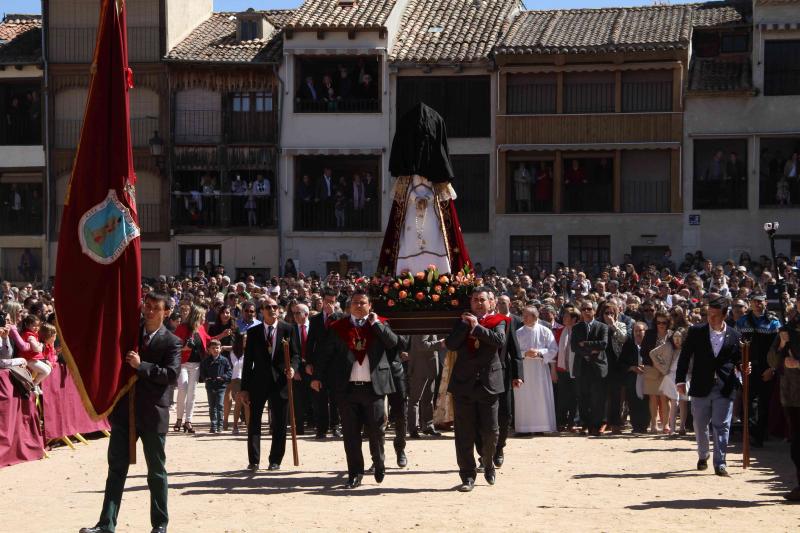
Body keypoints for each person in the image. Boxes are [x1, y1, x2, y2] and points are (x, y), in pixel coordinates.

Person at [79, 292, 181, 533]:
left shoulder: (172, 341)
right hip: (125, 412)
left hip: (153, 414)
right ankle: (106, 524)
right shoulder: (130, 335)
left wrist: (141, 366)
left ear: (166, 312)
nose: (150, 311)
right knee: (116, 468)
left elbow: (171, 375)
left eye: (156, 307)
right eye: (147, 306)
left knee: (156, 472)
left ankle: (160, 524)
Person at [311, 289, 399, 489]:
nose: (359, 306)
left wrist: (375, 324)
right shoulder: (338, 327)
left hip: (373, 387)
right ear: (349, 306)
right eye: (356, 303)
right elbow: (325, 354)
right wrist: (317, 376)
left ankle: (379, 462)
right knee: (351, 434)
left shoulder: (379, 324)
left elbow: (393, 343)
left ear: (370, 306)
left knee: (376, 430)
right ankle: (355, 473)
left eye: (363, 303)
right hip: (347, 388)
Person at [446, 287, 522, 492]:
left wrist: (477, 326)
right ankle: (467, 476)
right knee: (463, 433)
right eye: (475, 300)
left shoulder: (500, 321)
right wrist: (466, 325)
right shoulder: (461, 321)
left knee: (490, 431)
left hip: (489, 383)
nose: (478, 303)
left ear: (491, 302)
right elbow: (451, 344)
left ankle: (488, 465)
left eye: (482, 300)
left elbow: (499, 341)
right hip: (464, 383)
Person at [676, 295, 747, 477]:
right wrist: (680, 380)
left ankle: (720, 462)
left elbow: (738, 360)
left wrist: (745, 366)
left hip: (724, 386)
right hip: (700, 384)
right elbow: (684, 357)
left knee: (721, 425)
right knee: (700, 424)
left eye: (715, 315)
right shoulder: (696, 332)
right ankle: (703, 454)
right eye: (709, 314)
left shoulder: (735, 335)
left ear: (724, 315)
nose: (711, 318)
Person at [238, 297, 300, 472]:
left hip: (281, 382)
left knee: (280, 423)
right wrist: (244, 388)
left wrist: (293, 369)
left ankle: (275, 460)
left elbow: (295, 354)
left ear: (279, 310)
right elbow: (248, 362)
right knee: (254, 422)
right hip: (258, 383)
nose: (272, 309)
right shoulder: (253, 332)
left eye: (274, 306)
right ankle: (254, 460)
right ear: (262, 311)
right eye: (267, 307)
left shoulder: (288, 329)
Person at [735, 292, 781, 447]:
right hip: (747, 366)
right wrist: (740, 364)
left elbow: (778, 349)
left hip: (766, 367)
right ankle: (751, 434)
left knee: (764, 402)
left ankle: (761, 434)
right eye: (754, 301)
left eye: (760, 301)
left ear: (765, 303)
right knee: (749, 401)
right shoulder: (742, 322)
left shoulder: (773, 323)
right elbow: (736, 346)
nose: (757, 304)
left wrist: (772, 369)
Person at [768, 324, 800, 501]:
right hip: (791, 396)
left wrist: (798, 364)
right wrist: (781, 344)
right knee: (796, 445)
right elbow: (772, 361)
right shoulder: (786, 330)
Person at [514, 306, 557, 434]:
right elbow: (513, 351)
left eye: (527, 316)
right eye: (523, 315)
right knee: (524, 397)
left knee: (540, 396)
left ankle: (541, 427)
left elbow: (553, 349)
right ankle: (524, 428)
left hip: (540, 369)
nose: (524, 318)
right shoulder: (518, 332)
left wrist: (539, 353)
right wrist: (525, 353)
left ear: (535, 317)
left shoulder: (545, 331)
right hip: (524, 369)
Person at [306, 287, 343, 439]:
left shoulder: (341, 318)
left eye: (332, 302)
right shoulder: (314, 320)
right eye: (327, 301)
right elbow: (310, 343)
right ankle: (321, 428)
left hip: (336, 364)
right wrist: (308, 362)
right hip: (319, 364)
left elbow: (342, 337)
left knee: (335, 397)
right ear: (322, 301)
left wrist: (333, 315)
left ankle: (335, 426)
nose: (329, 304)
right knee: (319, 398)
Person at [571, 301, 609, 436]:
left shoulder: (602, 327)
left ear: (594, 311)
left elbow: (603, 344)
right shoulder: (576, 328)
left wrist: (585, 344)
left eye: (589, 309)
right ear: (581, 312)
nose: (586, 311)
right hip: (582, 367)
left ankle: (597, 425)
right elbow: (574, 347)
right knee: (583, 398)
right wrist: (588, 352)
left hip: (597, 367)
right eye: (584, 309)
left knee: (598, 398)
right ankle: (585, 425)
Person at [173, 305, 209, 434]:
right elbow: (173, 346)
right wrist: (184, 349)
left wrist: (223, 335)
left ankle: (188, 421)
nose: (205, 318)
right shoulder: (182, 327)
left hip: (196, 364)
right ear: (197, 316)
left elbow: (209, 340)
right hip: (183, 363)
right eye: (203, 316)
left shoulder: (201, 328)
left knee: (192, 393)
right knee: (182, 390)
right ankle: (178, 419)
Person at [618, 322, 651, 433]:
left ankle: (645, 425)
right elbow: (621, 363)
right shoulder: (629, 345)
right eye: (635, 331)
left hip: (648, 378)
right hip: (632, 378)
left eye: (640, 330)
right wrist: (632, 368)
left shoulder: (650, 345)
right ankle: (636, 426)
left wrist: (647, 367)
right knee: (633, 402)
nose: (637, 333)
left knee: (646, 402)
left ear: (645, 332)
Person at [406, 334, 442, 438]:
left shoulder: (429, 323)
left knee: (428, 399)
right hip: (420, 368)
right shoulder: (422, 324)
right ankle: (413, 429)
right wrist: (440, 343)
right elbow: (422, 345)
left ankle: (428, 426)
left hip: (430, 368)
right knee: (415, 400)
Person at [555, 307, 580, 431]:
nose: (563, 318)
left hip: (576, 369)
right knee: (563, 397)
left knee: (575, 396)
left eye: (566, 317)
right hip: (562, 369)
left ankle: (573, 421)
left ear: (574, 319)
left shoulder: (580, 331)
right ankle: (561, 421)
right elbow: (555, 351)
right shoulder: (560, 331)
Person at [199, 339, 232, 433]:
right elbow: (202, 372)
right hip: (210, 386)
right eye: (213, 348)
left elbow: (229, 371)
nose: (215, 350)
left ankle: (220, 425)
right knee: (212, 406)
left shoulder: (224, 360)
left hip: (221, 386)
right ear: (209, 349)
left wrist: (223, 377)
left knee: (220, 405)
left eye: (217, 348)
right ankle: (213, 425)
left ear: (220, 349)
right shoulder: (206, 361)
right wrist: (206, 378)